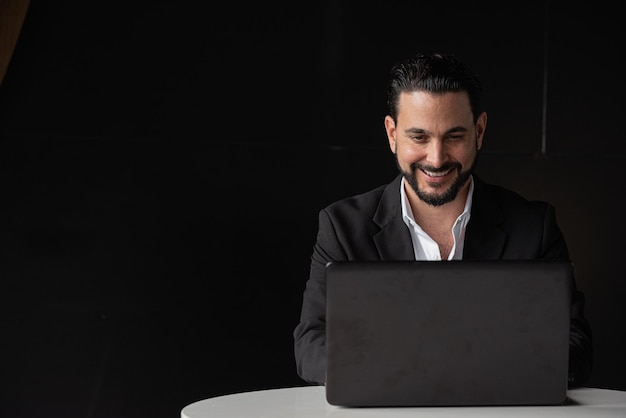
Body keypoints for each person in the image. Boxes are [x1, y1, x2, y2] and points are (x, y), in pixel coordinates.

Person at [293, 52, 593, 388]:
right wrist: (402, 375)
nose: (436, 159)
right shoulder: (342, 227)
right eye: (419, 137)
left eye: (454, 137)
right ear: (392, 134)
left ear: (479, 130)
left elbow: (574, 343)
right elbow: (311, 342)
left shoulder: (535, 227)